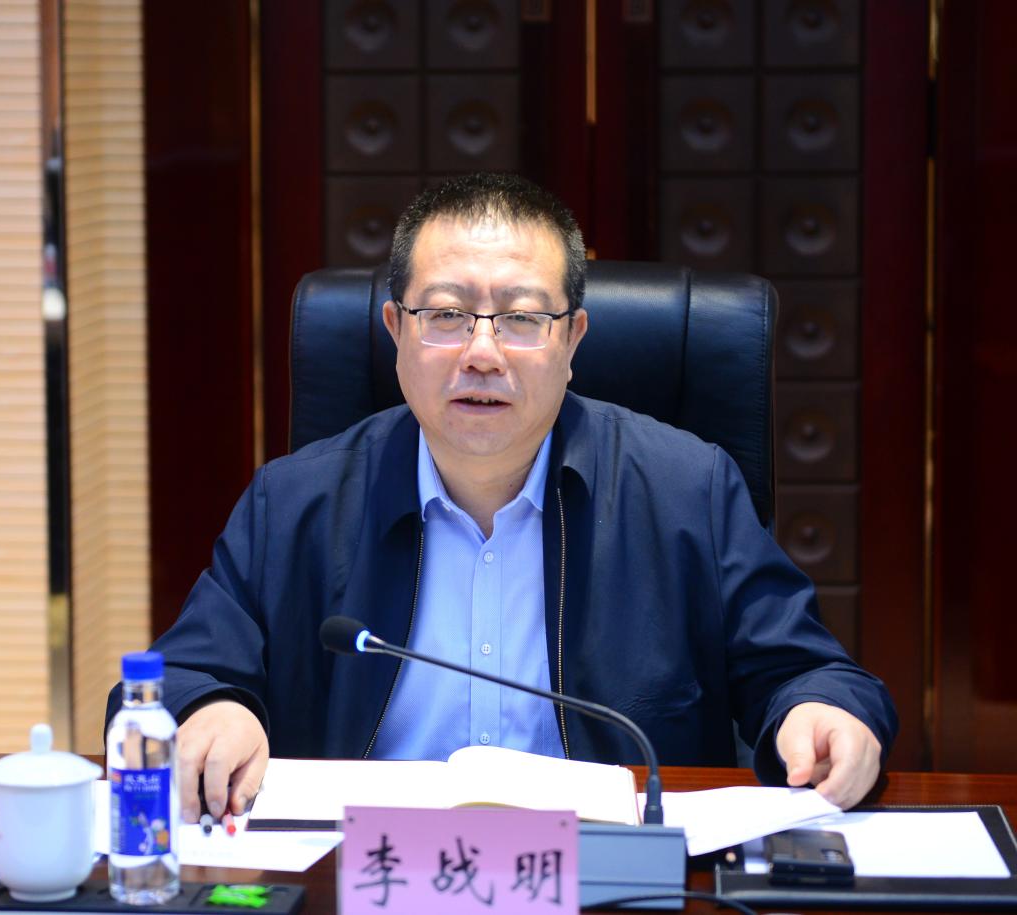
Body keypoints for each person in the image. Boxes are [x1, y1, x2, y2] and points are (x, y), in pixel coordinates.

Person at [106, 173, 896, 826]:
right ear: (395, 329)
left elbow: (810, 673)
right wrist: (210, 709)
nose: (482, 353)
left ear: (573, 337)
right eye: (447, 315)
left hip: (609, 884)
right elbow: (172, 681)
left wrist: (825, 714)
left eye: (521, 318)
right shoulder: (294, 503)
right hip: (370, 880)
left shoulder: (688, 491)